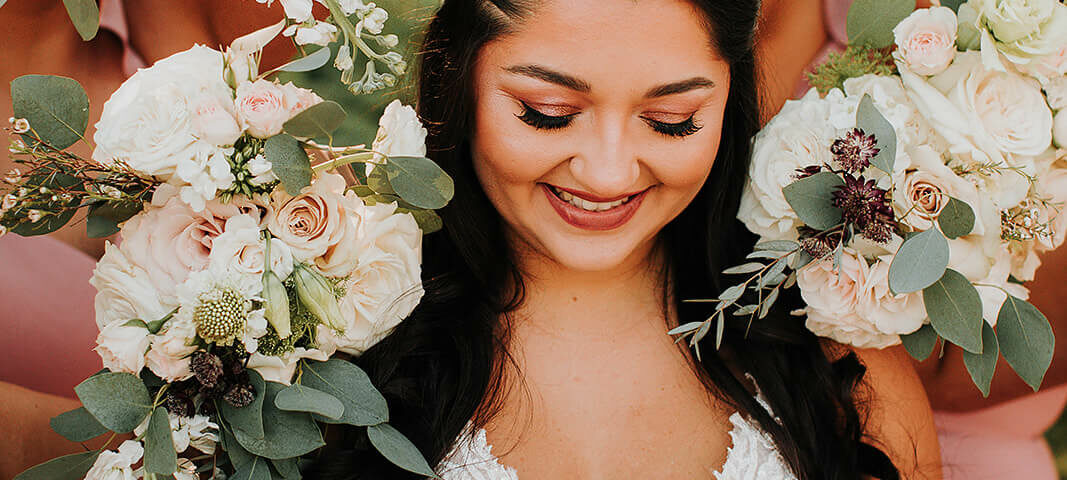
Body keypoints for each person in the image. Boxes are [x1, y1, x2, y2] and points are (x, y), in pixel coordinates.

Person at [303, 0, 940, 478]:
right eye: (548, 114)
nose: (608, 173)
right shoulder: (325, 345)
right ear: (459, 81)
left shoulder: (840, 366)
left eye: (671, 122)